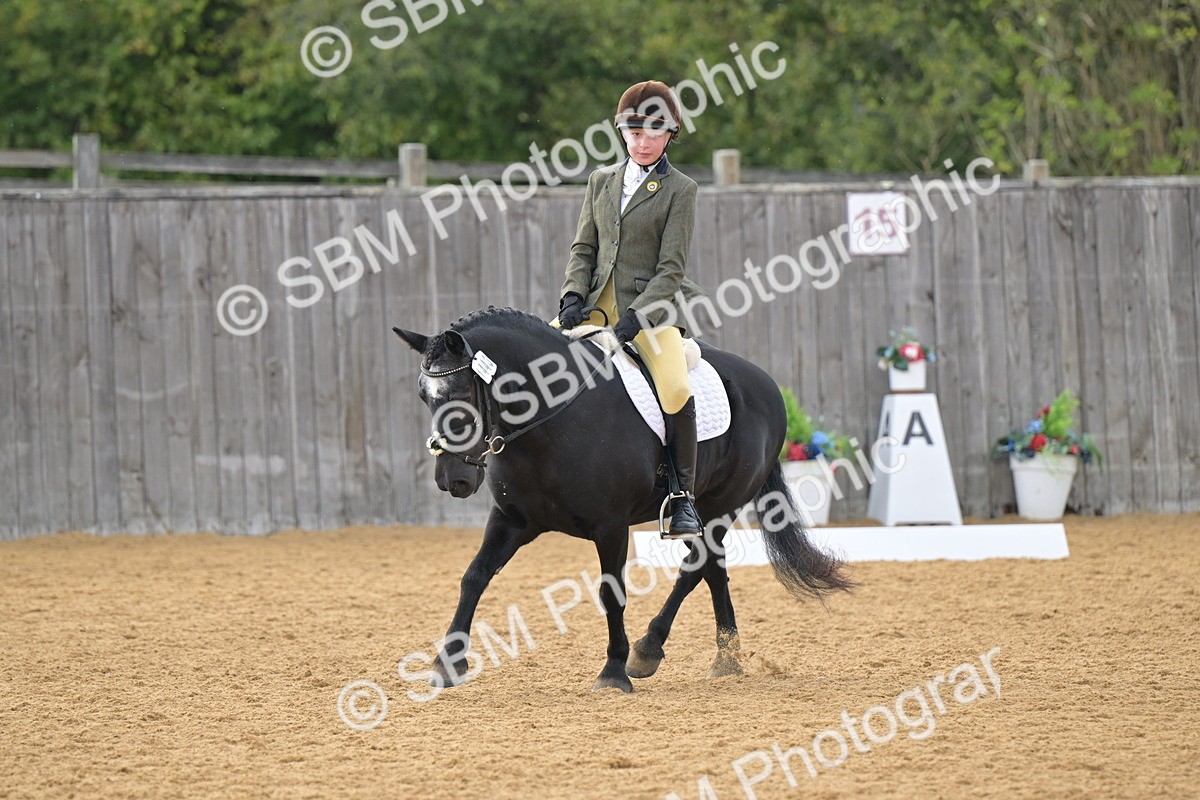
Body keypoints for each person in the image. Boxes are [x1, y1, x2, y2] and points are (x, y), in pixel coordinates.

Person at [553, 80, 709, 539]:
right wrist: (571, 296)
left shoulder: (681, 189)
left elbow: (671, 269)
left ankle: (682, 499)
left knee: (675, 389)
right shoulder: (600, 181)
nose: (643, 143)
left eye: (653, 134)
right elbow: (584, 248)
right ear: (622, 132)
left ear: (670, 134)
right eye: (634, 133)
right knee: (533, 363)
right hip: (595, 305)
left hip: (651, 311)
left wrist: (637, 318)